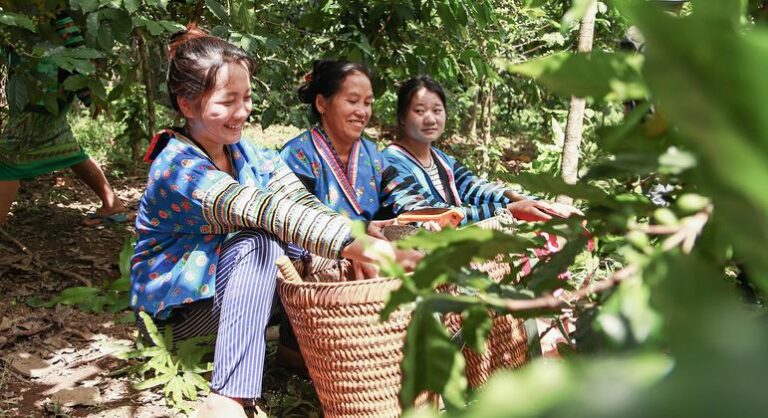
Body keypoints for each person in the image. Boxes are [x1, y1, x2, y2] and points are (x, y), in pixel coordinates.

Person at [130, 27, 422, 418]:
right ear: (187, 104)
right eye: (228, 101)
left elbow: (301, 204)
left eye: (247, 98)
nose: (242, 111)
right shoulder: (176, 167)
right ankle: (228, 397)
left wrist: (357, 240)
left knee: (306, 245)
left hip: (230, 299)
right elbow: (263, 210)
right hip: (178, 317)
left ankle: (295, 350)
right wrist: (363, 247)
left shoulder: (249, 152)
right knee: (260, 242)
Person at [279, 60, 451, 236]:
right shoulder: (298, 154)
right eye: (353, 101)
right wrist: (360, 229)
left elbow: (401, 194)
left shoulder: (371, 155)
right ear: (322, 103)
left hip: (371, 248)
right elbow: (295, 217)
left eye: (367, 103)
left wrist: (425, 218)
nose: (362, 112)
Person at [382, 75, 583, 223]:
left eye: (437, 110)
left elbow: (475, 188)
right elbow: (424, 214)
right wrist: (509, 209)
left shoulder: (440, 159)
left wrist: (541, 205)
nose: (430, 119)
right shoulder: (389, 162)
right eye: (419, 111)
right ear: (402, 117)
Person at [0, 14, 126, 226]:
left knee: (7, 160)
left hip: (43, 99)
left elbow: (78, 53)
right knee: (65, 147)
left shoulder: (55, 15)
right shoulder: (21, 14)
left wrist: (90, 97)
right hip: (39, 96)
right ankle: (111, 204)